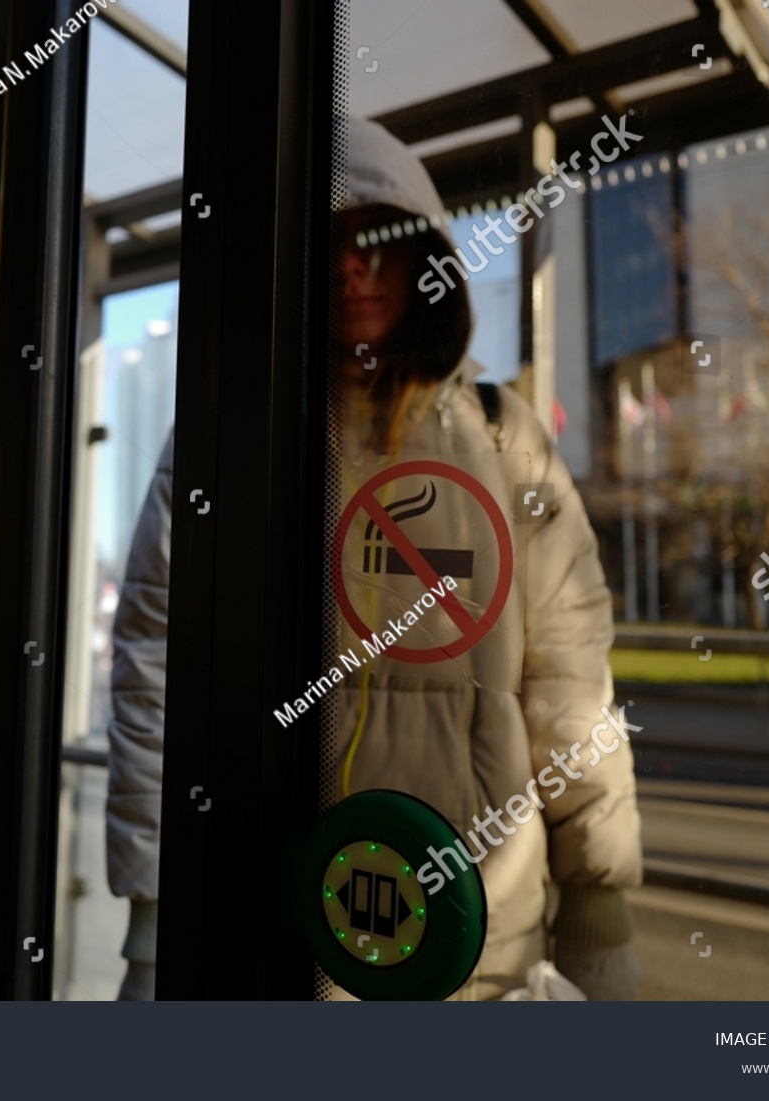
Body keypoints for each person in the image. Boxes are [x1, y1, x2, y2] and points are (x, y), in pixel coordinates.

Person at [105, 117, 642, 1001]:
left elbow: (571, 684)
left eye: (381, 241)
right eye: (328, 243)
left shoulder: (506, 442)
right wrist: (159, 915)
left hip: (467, 941)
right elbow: (157, 672)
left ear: (426, 258)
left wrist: (598, 901)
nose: (353, 267)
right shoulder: (228, 442)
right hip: (263, 927)